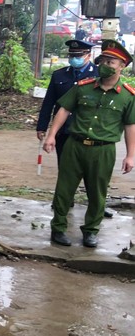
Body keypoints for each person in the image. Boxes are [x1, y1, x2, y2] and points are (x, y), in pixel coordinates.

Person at [44, 40, 135, 248]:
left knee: (97, 192)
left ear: (122, 66)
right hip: (74, 146)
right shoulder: (83, 88)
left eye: (111, 62)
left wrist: (130, 155)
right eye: (102, 60)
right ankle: (58, 228)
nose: (105, 65)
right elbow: (63, 110)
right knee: (64, 190)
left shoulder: (128, 96)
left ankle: (91, 231)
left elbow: (131, 126)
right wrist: (51, 135)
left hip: (103, 150)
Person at [37, 39, 98, 160]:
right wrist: (42, 127)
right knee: (64, 166)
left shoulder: (98, 75)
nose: (74, 58)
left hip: (87, 130)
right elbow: (49, 103)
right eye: (72, 55)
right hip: (63, 130)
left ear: (88, 55)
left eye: (78, 55)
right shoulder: (59, 75)